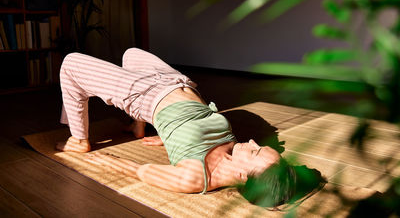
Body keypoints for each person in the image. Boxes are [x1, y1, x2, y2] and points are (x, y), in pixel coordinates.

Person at [56, 48, 298, 205]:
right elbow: (193, 130)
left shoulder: (193, 177)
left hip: (143, 94)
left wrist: (98, 161)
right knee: (131, 54)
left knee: (70, 64)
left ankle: (78, 139)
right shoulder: (233, 154)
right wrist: (171, 136)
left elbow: (137, 170)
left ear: (243, 176)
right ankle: (137, 127)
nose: (253, 142)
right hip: (177, 81)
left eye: (255, 151)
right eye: (259, 146)